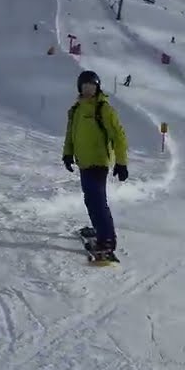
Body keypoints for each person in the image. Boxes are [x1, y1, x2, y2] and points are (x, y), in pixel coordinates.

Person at [62, 70, 128, 257]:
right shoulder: (75, 110)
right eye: (85, 86)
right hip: (83, 162)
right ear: (80, 88)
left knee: (98, 201)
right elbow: (70, 135)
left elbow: (119, 136)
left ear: (97, 87)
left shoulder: (103, 109)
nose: (89, 90)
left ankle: (107, 239)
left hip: (99, 162)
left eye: (92, 86)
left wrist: (122, 162)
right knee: (91, 200)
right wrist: (67, 154)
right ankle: (100, 230)